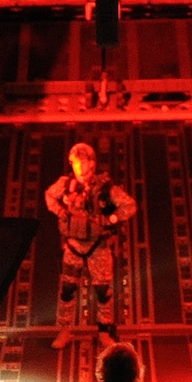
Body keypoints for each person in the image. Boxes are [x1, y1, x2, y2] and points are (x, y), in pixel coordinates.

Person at [43, 141, 137, 347]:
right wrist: (60, 211)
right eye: (76, 163)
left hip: (98, 247)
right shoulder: (65, 184)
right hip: (73, 246)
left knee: (103, 292)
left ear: (92, 164)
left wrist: (112, 218)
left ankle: (104, 332)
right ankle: (65, 330)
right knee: (67, 290)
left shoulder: (105, 188)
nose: (80, 168)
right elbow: (49, 196)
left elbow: (129, 206)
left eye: (83, 163)